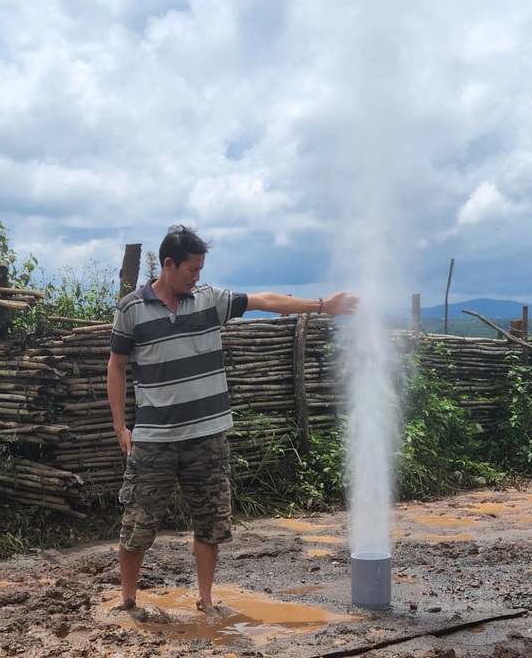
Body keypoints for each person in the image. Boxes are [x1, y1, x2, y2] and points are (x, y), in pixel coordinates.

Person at [107, 224, 358, 612]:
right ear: (168, 264)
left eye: (201, 270)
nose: (198, 277)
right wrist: (120, 425)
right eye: (192, 270)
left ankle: (206, 599)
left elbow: (265, 301)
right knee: (138, 523)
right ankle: (127, 599)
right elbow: (117, 366)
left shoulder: (210, 301)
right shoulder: (131, 309)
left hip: (208, 437)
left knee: (210, 524)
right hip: (153, 440)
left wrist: (322, 306)